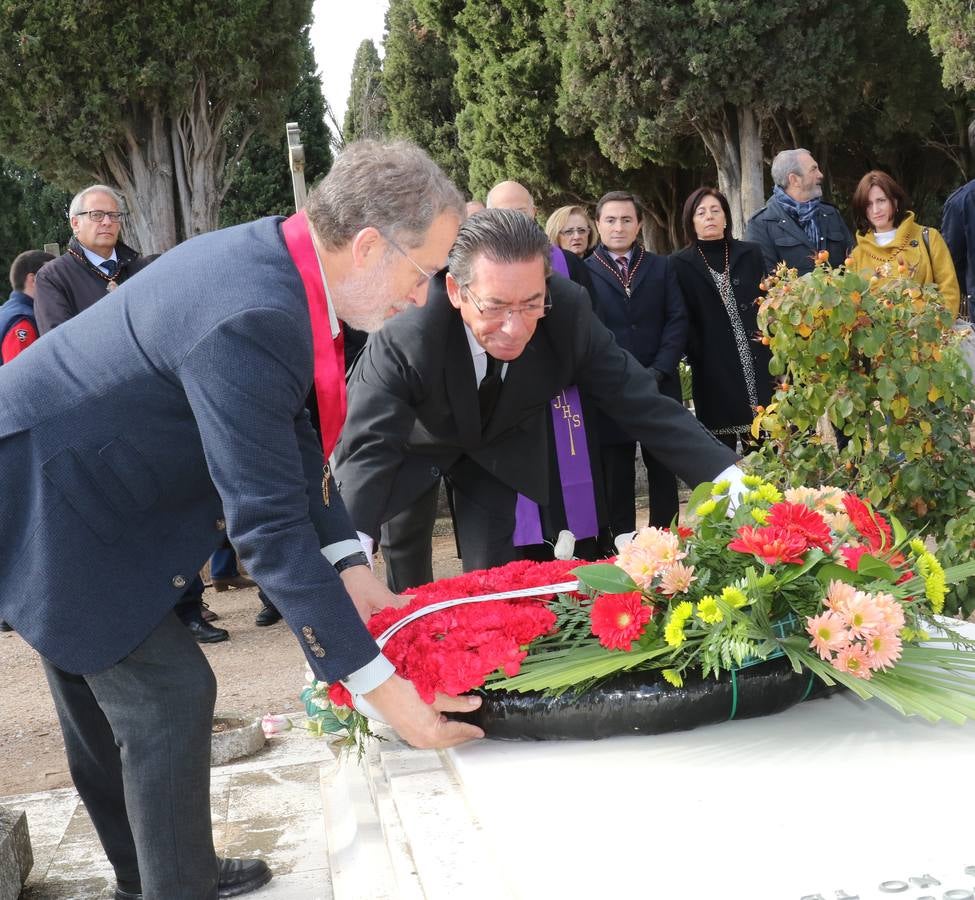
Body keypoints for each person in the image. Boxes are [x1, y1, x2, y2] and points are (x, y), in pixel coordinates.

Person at [0, 139, 481, 900]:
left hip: (80, 480)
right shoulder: (257, 308)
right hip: (53, 495)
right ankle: (171, 880)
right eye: (422, 271)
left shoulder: (282, 262)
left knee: (105, 695)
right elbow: (266, 529)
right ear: (366, 245)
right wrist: (386, 694)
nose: (421, 298)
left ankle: (157, 866)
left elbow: (287, 431)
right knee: (165, 695)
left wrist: (352, 569)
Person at [334, 209, 743, 589]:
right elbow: (367, 443)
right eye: (495, 306)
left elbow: (638, 400)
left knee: (493, 571)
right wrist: (349, 554)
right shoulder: (408, 328)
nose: (514, 328)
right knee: (404, 558)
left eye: (531, 304)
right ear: (457, 290)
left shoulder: (567, 311)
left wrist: (727, 478)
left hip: (496, 443)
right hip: (412, 442)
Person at [585, 190, 687, 535]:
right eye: (610, 220)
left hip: (660, 383)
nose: (618, 227)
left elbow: (676, 320)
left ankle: (666, 541)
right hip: (613, 389)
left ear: (639, 224)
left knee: (663, 469)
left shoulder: (661, 266)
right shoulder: (586, 272)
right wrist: (619, 375)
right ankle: (622, 546)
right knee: (617, 474)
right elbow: (591, 330)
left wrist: (659, 369)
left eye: (626, 219)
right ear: (598, 224)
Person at [671, 187, 772, 451]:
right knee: (721, 452)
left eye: (715, 210)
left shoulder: (750, 253)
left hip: (757, 358)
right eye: (701, 212)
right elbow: (680, 314)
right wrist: (696, 350)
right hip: (713, 367)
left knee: (765, 443)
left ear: (726, 217)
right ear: (691, 221)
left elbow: (769, 299)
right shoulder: (679, 264)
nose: (709, 217)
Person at [33, 184, 151, 333]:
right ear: (75, 223)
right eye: (96, 215)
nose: (107, 222)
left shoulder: (142, 268)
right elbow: (58, 344)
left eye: (113, 215)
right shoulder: (53, 278)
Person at [848, 170, 960, 316]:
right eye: (868, 204)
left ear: (895, 201)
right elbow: (852, 308)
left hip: (928, 335)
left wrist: (931, 333)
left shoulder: (928, 237)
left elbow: (949, 293)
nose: (875, 210)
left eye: (881, 201)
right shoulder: (857, 255)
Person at [745, 148, 852, 275]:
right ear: (794, 180)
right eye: (814, 169)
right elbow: (766, 282)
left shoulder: (831, 214)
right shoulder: (761, 225)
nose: (820, 175)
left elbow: (853, 261)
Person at [1, 249, 54, 364]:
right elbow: (19, 377)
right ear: (33, 279)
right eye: (52, 277)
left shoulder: (8, 311)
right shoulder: (22, 322)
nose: (58, 283)